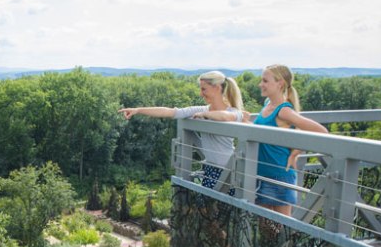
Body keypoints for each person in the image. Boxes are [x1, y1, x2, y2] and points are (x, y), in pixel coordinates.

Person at [119, 71, 247, 193]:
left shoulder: (233, 111)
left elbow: (226, 117)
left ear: (217, 88)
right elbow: (170, 112)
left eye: (204, 89)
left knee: (227, 212)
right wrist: (138, 110)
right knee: (209, 211)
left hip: (231, 171)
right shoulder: (201, 109)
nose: (200, 94)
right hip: (210, 169)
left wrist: (206, 114)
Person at [253, 64, 329, 216]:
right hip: (262, 173)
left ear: (280, 83)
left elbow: (321, 131)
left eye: (265, 81)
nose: (260, 84)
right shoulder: (267, 105)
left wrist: (296, 152)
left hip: (279, 174)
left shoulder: (284, 110)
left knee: (280, 229)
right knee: (265, 227)